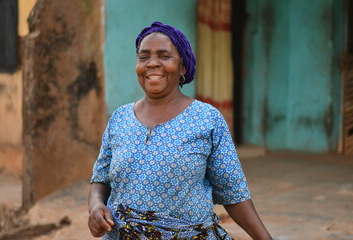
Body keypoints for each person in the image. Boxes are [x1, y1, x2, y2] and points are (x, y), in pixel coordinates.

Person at [88, 21, 272, 240]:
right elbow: (100, 179)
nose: (152, 63)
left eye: (164, 56)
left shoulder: (206, 119)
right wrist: (96, 206)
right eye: (144, 56)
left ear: (183, 67)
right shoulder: (120, 119)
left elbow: (233, 193)